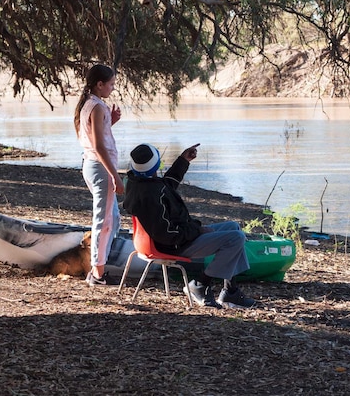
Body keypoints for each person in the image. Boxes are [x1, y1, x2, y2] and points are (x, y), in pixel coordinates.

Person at [123, 143, 256, 309]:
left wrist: (183, 160)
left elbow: (165, 187)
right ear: (157, 164)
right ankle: (200, 284)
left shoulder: (138, 183)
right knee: (236, 238)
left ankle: (230, 292)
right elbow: (168, 234)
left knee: (233, 227)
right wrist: (197, 230)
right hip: (175, 245)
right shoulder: (153, 194)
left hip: (173, 239)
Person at [74, 64, 124, 286]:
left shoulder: (90, 105)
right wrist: (115, 175)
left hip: (92, 165)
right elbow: (99, 146)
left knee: (112, 219)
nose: (113, 88)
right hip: (100, 168)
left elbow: (92, 137)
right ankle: (97, 273)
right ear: (99, 84)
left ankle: (99, 267)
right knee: (104, 221)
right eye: (111, 84)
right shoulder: (96, 107)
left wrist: (110, 121)